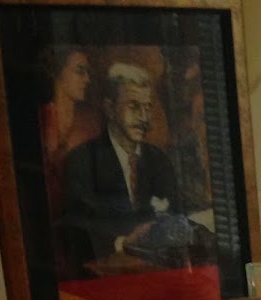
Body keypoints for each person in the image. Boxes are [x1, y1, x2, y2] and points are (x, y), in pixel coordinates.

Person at [60, 61, 185, 276]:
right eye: (133, 107)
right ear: (110, 109)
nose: (144, 118)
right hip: (102, 280)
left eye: (147, 108)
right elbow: (78, 231)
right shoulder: (82, 161)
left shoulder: (160, 161)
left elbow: (175, 219)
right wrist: (122, 242)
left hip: (159, 275)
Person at [38, 47, 101, 220]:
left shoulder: (91, 124)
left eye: (87, 73)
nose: (87, 79)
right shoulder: (41, 119)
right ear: (58, 72)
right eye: (80, 71)